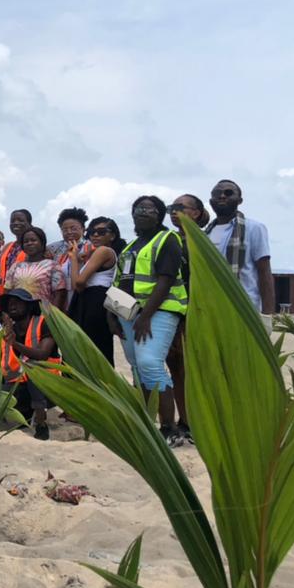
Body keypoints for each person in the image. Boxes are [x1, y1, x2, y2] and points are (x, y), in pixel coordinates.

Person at [109, 195, 188, 444]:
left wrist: (147, 317)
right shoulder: (132, 245)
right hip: (128, 312)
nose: (144, 212)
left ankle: (170, 428)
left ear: (160, 214)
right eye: (139, 208)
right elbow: (120, 281)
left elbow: (165, 280)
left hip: (160, 311)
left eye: (150, 209)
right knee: (137, 366)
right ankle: (149, 422)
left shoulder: (168, 239)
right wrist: (112, 313)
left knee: (150, 363)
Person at [166, 194, 211, 442]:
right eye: (171, 208)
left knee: (192, 369)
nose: (174, 212)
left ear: (196, 212)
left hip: (196, 313)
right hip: (175, 311)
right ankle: (184, 420)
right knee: (176, 367)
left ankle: (195, 421)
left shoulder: (202, 242)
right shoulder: (171, 239)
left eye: (179, 208)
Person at [205, 180, 275, 315]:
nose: (222, 196)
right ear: (211, 200)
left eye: (229, 193)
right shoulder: (205, 234)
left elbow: (264, 271)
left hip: (243, 307)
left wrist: (267, 315)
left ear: (240, 200)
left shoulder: (254, 228)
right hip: (209, 306)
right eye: (217, 193)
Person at [0, 288, 59, 441]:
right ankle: (24, 416)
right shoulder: (6, 330)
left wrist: (16, 344)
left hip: (48, 385)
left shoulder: (44, 323)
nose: (12, 305)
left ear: (28, 305)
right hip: (19, 385)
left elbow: (42, 354)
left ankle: (41, 422)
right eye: (9, 303)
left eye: (17, 302)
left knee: (33, 370)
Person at [66, 217, 121, 364]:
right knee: (94, 347)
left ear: (112, 235)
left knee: (93, 347)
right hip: (87, 299)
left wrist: (74, 259)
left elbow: (78, 282)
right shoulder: (94, 254)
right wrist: (77, 259)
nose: (95, 235)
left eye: (101, 232)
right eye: (92, 232)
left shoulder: (104, 251)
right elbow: (76, 284)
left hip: (94, 301)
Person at [4, 226, 67, 311]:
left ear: (42, 243)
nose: (29, 243)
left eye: (33, 240)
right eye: (26, 241)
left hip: (43, 314)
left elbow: (59, 294)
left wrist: (52, 316)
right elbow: (8, 291)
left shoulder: (53, 266)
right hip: (18, 315)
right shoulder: (16, 266)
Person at [0, 209, 32, 293]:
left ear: (29, 223)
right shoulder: (7, 247)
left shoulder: (34, 247)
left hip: (25, 295)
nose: (16, 223)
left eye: (20, 220)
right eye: (12, 221)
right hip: (4, 295)